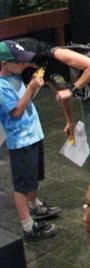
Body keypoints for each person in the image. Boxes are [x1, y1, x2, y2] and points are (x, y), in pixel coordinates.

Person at [16, 37, 90, 171]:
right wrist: (69, 121)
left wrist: (72, 90)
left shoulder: (57, 54)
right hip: (88, 96)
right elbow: (60, 92)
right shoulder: (38, 70)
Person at [0, 40, 61, 241]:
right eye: (18, 62)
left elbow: (25, 103)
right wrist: (30, 89)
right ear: (4, 63)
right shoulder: (1, 86)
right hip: (20, 141)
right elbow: (16, 112)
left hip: (33, 134)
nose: (23, 65)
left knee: (34, 177)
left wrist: (34, 87)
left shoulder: (15, 78)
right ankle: (27, 226)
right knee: (22, 186)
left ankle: (35, 206)